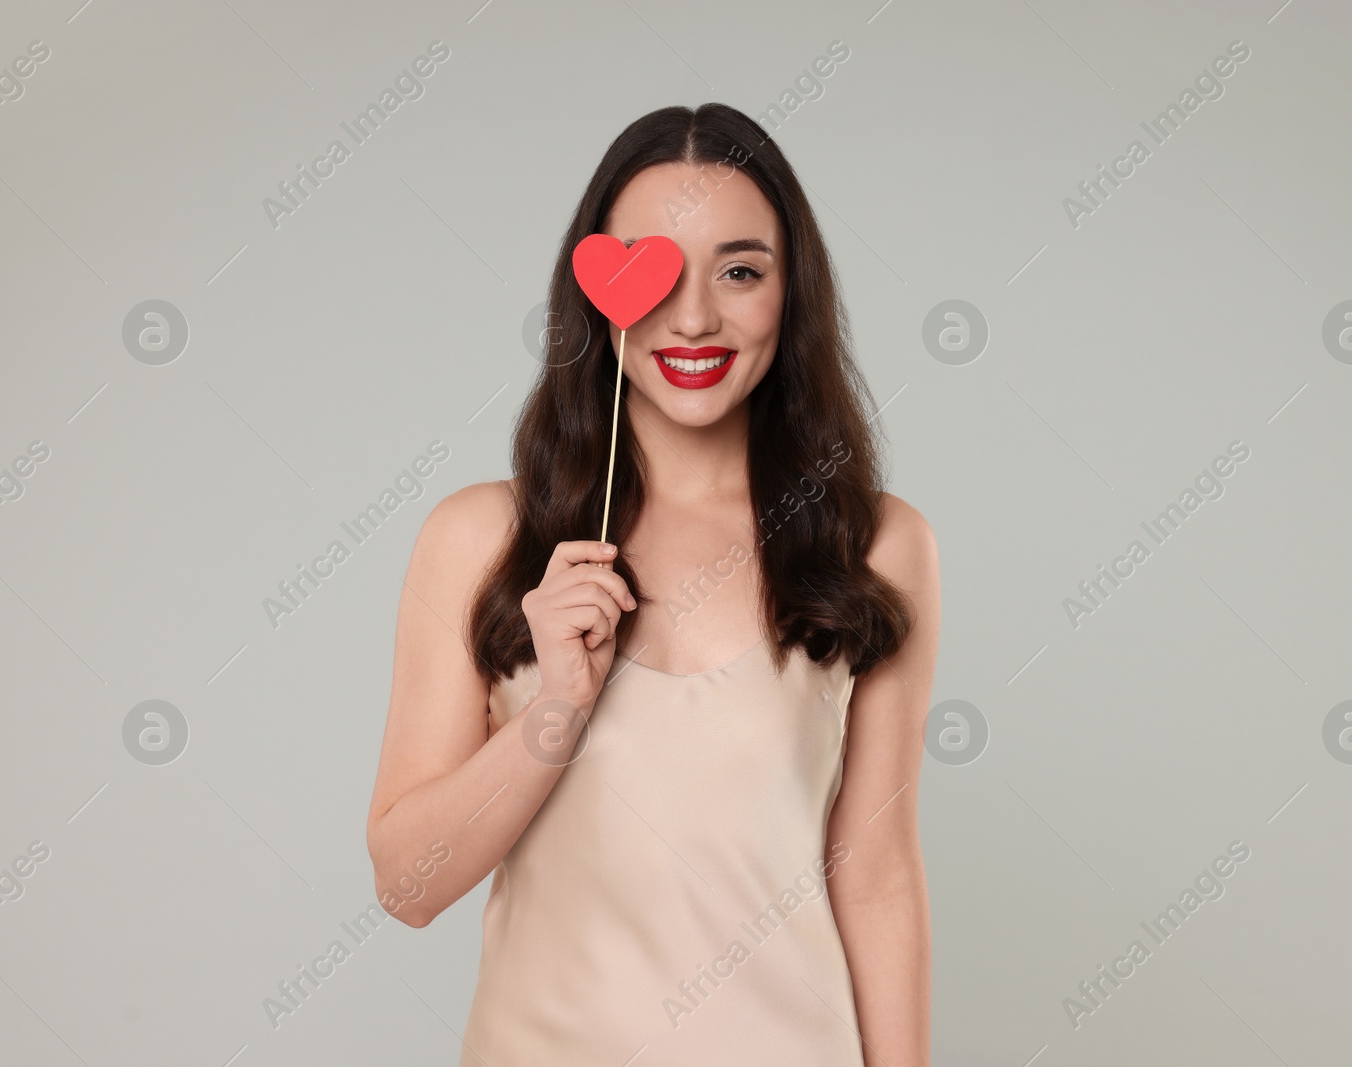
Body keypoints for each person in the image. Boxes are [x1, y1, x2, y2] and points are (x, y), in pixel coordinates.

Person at [366, 102, 938, 1066]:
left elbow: (876, 876)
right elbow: (406, 886)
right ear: (596, 292)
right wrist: (556, 711)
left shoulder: (877, 543)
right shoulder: (478, 538)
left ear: (791, 293)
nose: (694, 317)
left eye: (741, 270)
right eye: (655, 272)